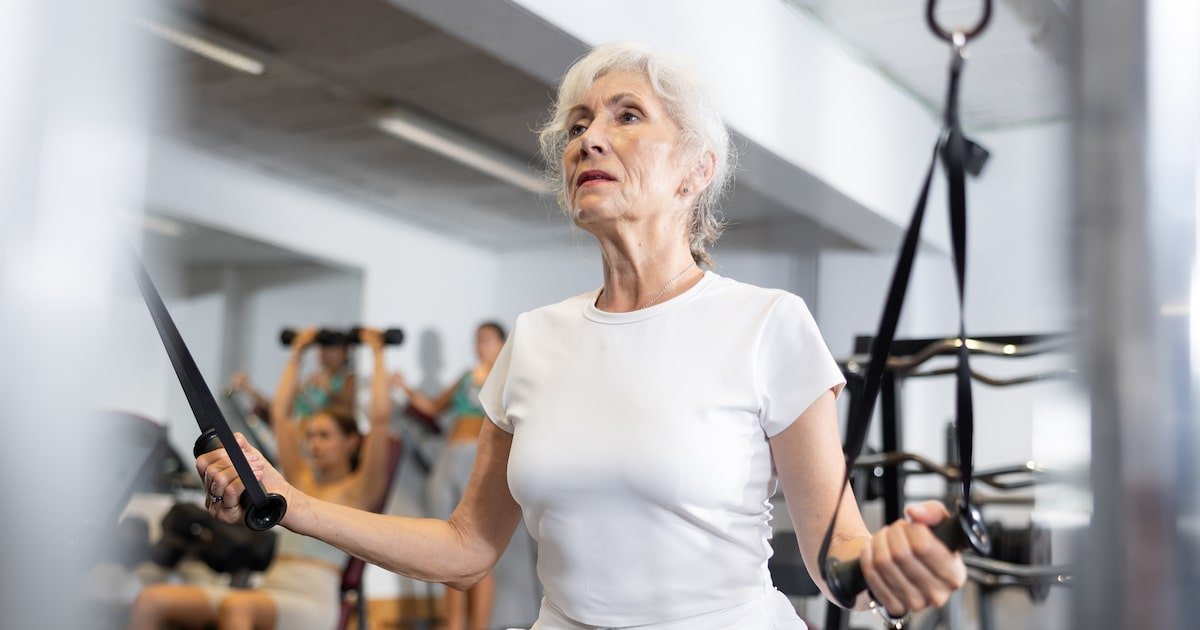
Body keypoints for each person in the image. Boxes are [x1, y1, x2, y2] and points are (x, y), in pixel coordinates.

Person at [198, 43, 967, 629]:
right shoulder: (533, 341)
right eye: (577, 125)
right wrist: (288, 501)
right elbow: (466, 548)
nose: (588, 139)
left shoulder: (767, 323)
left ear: (695, 170)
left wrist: (894, 566)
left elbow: (838, 558)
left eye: (626, 116)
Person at [131, 327, 395, 630]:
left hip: (312, 599)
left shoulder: (362, 489)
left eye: (324, 436)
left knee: (236, 608)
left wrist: (377, 352)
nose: (314, 444)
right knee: (151, 600)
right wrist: (297, 352)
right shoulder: (299, 481)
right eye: (310, 436)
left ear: (352, 441)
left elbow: (380, 420)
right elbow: (281, 416)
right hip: (268, 588)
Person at [392, 322, 507, 630]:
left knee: (479, 546)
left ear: (502, 342)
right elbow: (432, 408)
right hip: (449, 459)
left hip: (479, 460)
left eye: (486, 340)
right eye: (477, 340)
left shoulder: (507, 376)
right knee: (445, 542)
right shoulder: (467, 377)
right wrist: (404, 388)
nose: (480, 346)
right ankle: (453, 622)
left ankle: (478, 624)